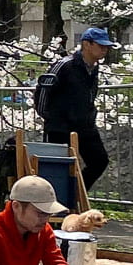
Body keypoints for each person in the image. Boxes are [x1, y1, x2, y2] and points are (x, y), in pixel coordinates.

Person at [37, 27, 115, 193]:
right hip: (61, 127)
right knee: (59, 168)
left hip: (86, 126)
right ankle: (60, 202)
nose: (104, 50)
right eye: (101, 46)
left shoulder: (94, 68)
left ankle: (76, 195)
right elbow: (43, 90)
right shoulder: (65, 65)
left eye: (106, 47)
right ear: (87, 44)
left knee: (99, 161)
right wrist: (51, 118)